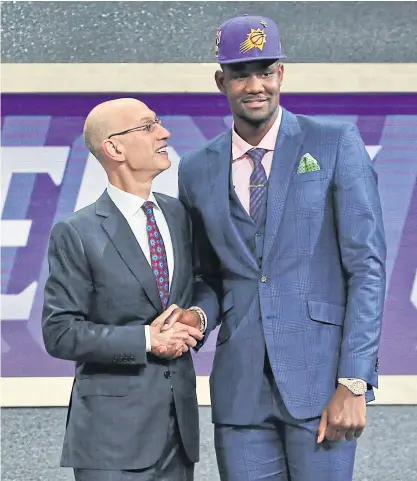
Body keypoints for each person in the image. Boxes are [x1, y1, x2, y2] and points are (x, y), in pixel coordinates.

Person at [168, 14, 387, 481]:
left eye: (265, 71)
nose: (255, 85)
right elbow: (209, 274)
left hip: (323, 384)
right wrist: (199, 316)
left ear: (281, 74)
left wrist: (354, 379)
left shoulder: (334, 143)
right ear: (220, 81)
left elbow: (366, 268)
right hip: (240, 393)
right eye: (241, 74)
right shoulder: (195, 169)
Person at [42, 98, 218, 481]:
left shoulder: (181, 215)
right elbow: (60, 333)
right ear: (114, 147)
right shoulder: (77, 233)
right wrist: (145, 340)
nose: (164, 133)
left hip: (178, 434)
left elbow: (207, 284)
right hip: (110, 443)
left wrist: (198, 316)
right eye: (148, 126)